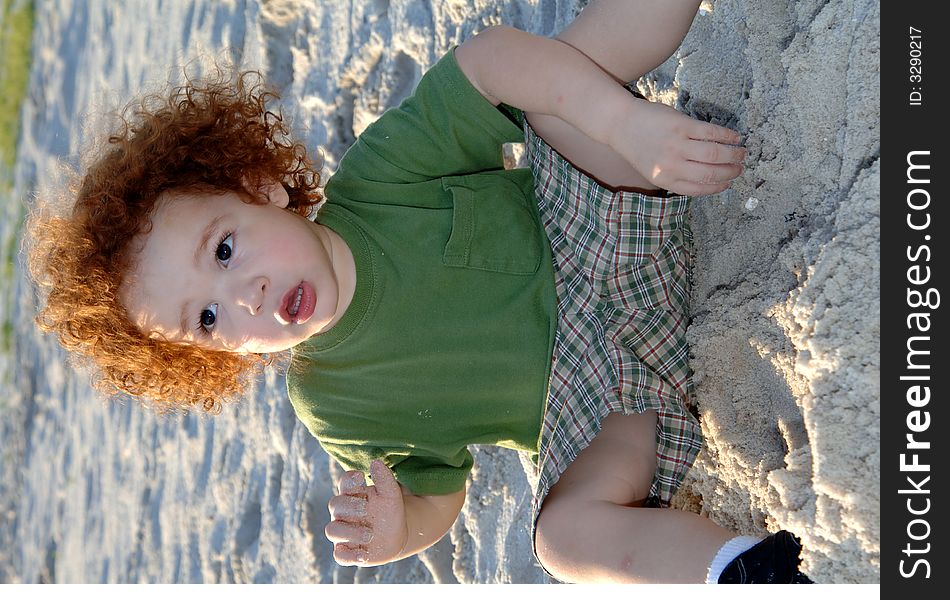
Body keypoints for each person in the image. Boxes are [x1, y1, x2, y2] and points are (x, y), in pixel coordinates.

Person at [27, 0, 812, 584]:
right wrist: (404, 527)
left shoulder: (379, 179)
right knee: (560, 540)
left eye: (224, 250)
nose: (246, 294)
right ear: (211, 358)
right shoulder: (333, 403)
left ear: (258, 184)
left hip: (609, 221)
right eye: (207, 318)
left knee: (554, 88)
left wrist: (624, 125)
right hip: (613, 402)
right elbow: (440, 488)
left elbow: (490, 58)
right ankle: (743, 574)